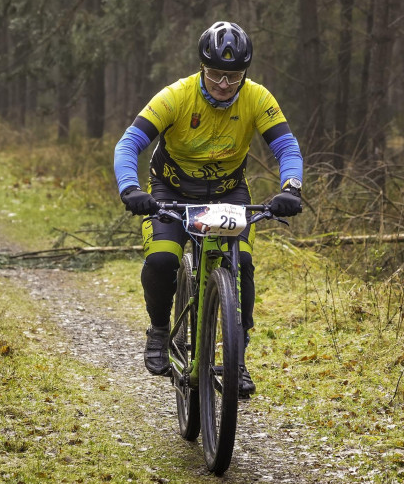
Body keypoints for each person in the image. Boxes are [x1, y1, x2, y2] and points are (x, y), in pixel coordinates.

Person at [113, 21, 303, 396]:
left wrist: (291, 188)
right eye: (216, 74)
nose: (224, 84)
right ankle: (159, 329)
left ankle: (238, 359)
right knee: (163, 259)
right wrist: (131, 188)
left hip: (227, 193)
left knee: (243, 264)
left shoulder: (258, 98)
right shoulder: (176, 96)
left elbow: (287, 148)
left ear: (244, 73)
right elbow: (129, 143)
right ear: (202, 68)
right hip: (171, 190)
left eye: (234, 77)